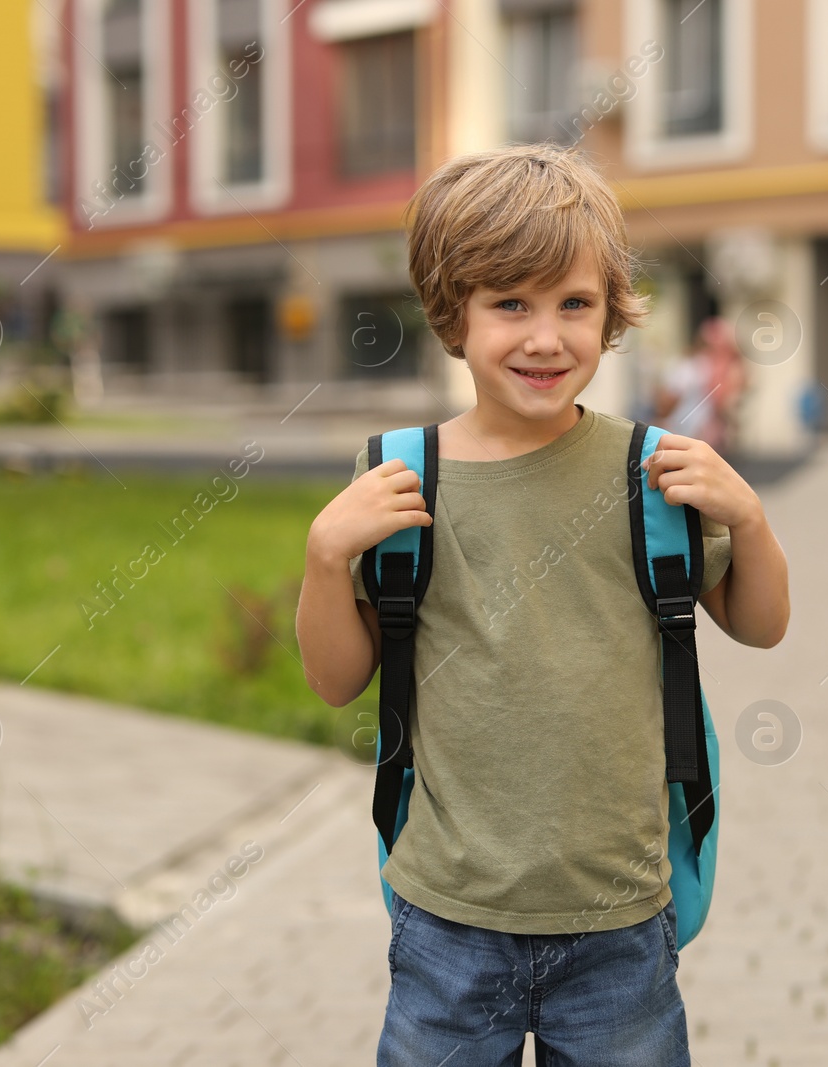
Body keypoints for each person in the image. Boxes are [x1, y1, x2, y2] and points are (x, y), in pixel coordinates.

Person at [295, 143, 790, 1067]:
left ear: (611, 317)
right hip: (448, 917)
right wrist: (326, 558)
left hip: (619, 919)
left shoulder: (653, 472)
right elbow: (336, 680)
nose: (545, 337)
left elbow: (759, 624)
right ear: (455, 314)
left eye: (575, 304)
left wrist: (749, 518)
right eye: (510, 304)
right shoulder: (404, 472)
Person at [653, 316, 747, 456]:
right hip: (684, 433)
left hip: (700, 437)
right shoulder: (691, 368)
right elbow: (668, 401)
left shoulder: (714, 370)